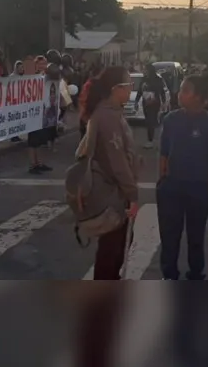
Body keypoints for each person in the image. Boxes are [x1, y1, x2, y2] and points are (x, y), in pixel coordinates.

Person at [157, 75, 208, 280]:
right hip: (171, 187)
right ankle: (169, 274)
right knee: (170, 236)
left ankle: (196, 273)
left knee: (196, 237)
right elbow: (163, 154)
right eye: (182, 89)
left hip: (198, 188)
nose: (180, 94)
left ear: (199, 97)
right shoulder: (171, 120)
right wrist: (163, 181)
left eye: (186, 90)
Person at [84, 66, 139, 279]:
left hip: (115, 191)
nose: (131, 90)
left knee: (116, 247)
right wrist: (132, 194)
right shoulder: (106, 116)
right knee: (111, 251)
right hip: (112, 194)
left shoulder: (113, 112)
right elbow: (117, 162)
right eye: (128, 86)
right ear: (116, 89)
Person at [135, 64, 168, 149]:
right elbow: (140, 91)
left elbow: (162, 92)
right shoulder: (144, 79)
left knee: (150, 121)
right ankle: (150, 139)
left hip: (154, 103)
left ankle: (150, 141)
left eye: (145, 69)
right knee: (148, 121)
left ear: (149, 70)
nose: (144, 71)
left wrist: (164, 103)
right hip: (145, 103)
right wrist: (136, 101)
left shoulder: (158, 79)